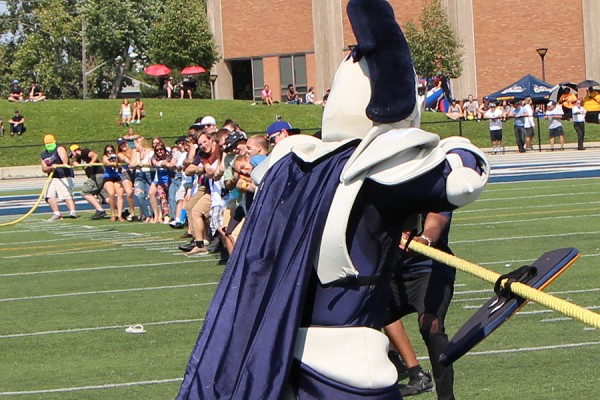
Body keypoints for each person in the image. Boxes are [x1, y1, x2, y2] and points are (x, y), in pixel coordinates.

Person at [176, 1, 489, 398]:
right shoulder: (375, 166)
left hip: (283, 351)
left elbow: (257, 166)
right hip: (350, 358)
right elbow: (462, 180)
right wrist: (458, 147)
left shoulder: (295, 161)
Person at [385, 211, 456, 399]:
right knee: (359, 319)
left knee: (430, 325)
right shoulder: (383, 186)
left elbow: (436, 223)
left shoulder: (431, 187)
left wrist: (424, 239)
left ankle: (446, 397)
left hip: (429, 270)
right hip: (391, 273)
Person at [40, 134, 77, 221]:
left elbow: (65, 160)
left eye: (50, 143)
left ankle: (72, 212)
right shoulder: (43, 154)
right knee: (48, 194)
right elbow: (44, 168)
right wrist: (50, 168)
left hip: (64, 175)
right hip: (53, 176)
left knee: (66, 194)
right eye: (47, 143)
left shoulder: (59, 148)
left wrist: (59, 165)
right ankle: (56, 213)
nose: (49, 145)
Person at [70, 144, 106, 220]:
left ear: (75, 151)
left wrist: (91, 162)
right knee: (105, 198)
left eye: (72, 153)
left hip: (97, 175)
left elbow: (95, 155)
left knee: (85, 192)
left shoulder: (84, 152)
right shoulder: (79, 158)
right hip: (95, 177)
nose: (73, 156)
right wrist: (75, 163)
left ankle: (100, 210)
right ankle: (123, 211)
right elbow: (74, 163)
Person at [101, 144, 125, 221]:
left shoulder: (117, 155)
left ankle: (120, 215)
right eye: (108, 151)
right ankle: (113, 214)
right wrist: (112, 163)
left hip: (117, 177)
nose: (109, 152)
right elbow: (106, 162)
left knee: (120, 194)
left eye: (111, 151)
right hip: (108, 177)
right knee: (111, 193)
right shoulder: (105, 157)